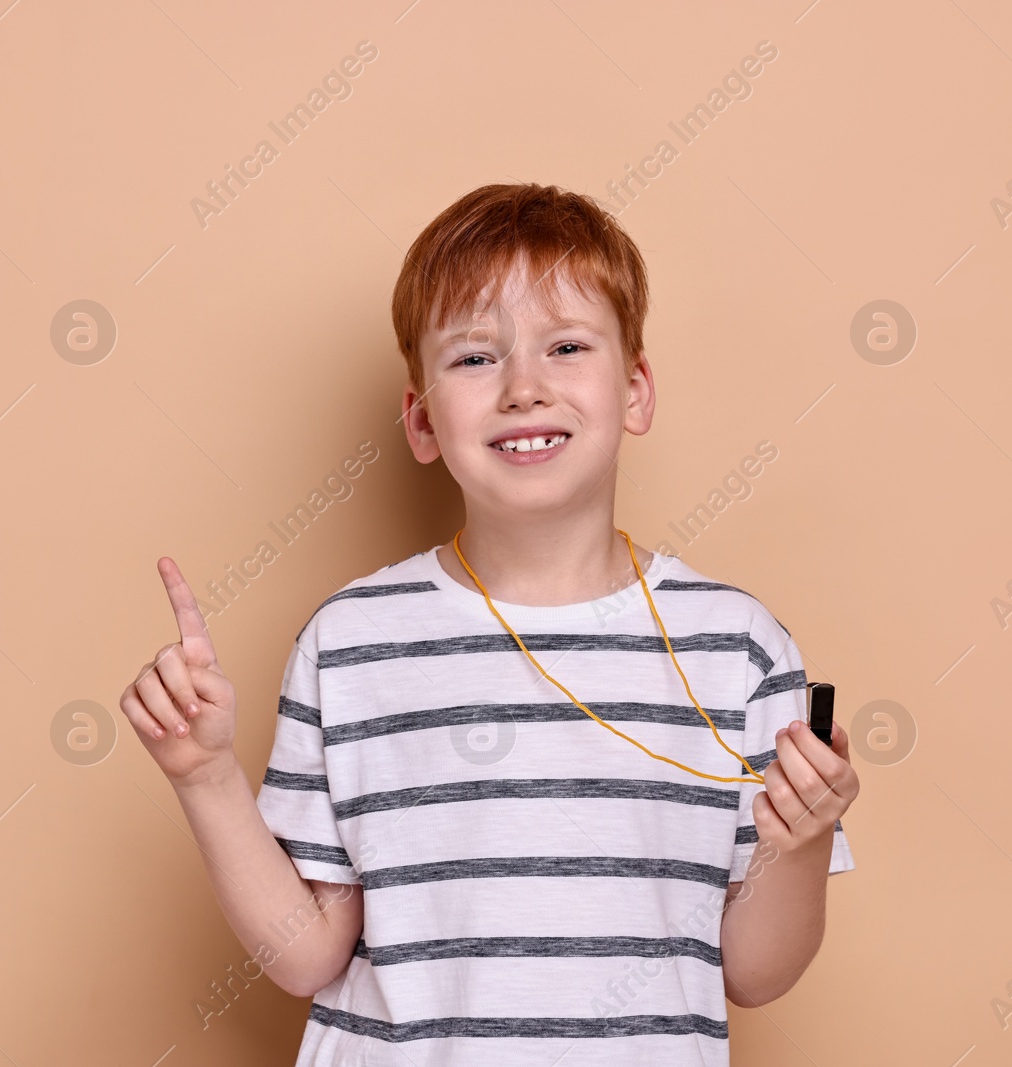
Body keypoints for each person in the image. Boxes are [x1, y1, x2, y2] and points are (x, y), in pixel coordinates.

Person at [119, 182, 860, 1066]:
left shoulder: (737, 647)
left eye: (568, 345)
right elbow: (308, 953)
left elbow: (757, 970)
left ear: (635, 390)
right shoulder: (350, 642)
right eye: (474, 358)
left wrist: (801, 841)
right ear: (423, 419)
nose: (523, 386)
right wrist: (203, 775)